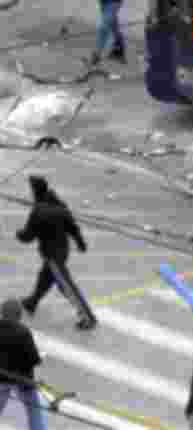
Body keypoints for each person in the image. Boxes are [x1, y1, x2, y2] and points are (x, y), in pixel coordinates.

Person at [17, 175, 95, 330]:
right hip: (62, 250)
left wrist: (19, 234)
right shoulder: (59, 204)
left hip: (53, 255)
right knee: (45, 276)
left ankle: (88, 317)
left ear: (35, 191)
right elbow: (73, 227)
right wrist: (81, 243)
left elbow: (28, 236)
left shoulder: (38, 211)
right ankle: (32, 302)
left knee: (65, 285)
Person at [0, 299, 46, 430]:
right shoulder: (23, 332)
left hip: (1, 379)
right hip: (23, 380)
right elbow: (33, 358)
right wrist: (40, 358)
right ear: (19, 315)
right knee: (34, 411)